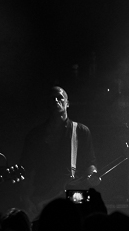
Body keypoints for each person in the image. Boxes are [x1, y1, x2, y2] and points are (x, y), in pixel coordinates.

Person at [20, 86, 97, 215]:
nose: (56, 100)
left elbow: (90, 162)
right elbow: (25, 169)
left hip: (72, 197)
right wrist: (26, 199)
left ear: (67, 103)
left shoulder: (81, 131)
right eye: (52, 99)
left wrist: (92, 174)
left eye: (60, 97)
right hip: (41, 198)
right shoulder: (35, 135)